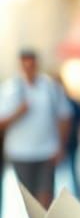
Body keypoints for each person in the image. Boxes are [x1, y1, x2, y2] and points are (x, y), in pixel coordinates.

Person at [0, 49, 71, 209]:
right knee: (29, 201)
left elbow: (64, 116)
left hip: (46, 151)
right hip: (21, 153)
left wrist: (60, 146)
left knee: (45, 197)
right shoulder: (10, 89)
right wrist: (17, 113)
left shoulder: (50, 87)